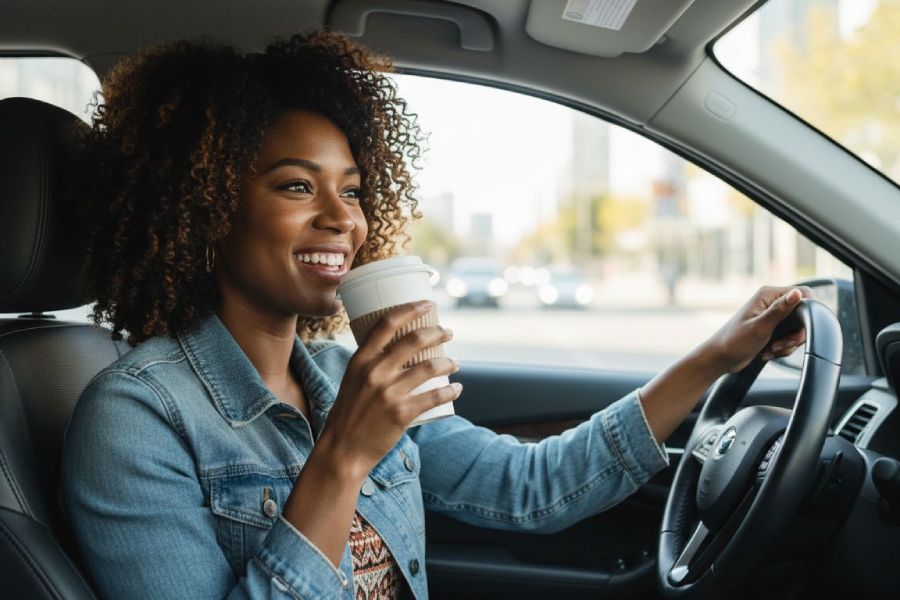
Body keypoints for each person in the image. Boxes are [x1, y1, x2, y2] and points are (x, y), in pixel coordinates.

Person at [60, 31, 809, 600]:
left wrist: (716, 356)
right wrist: (344, 456)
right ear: (204, 210)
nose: (342, 221)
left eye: (352, 192)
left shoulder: (334, 374)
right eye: (296, 187)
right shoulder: (135, 418)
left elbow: (532, 488)